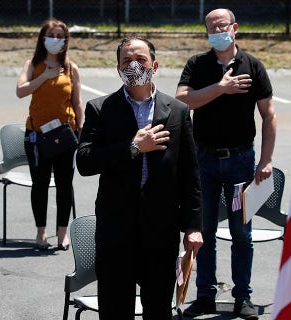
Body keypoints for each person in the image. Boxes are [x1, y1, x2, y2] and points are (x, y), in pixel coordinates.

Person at [76, 37, 203, 319]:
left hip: (161, 230)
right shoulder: (100, 108)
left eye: (141, 60)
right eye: (126, 61)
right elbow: (84, 162)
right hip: (115, 231)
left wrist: (193, 226)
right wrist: (133, 147)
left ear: (154, 66)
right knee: (114, 309)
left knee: (158, 309)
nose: (134, 66)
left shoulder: (178, 111)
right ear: (118, 69)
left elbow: (189, 175)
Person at [175, 8, 276, 320]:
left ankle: (242, 297)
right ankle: (204, 294)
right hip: (203, 160)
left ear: (235, 28)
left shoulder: (253, 65)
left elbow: (269, 115)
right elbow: (182, 99)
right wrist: (220, 88)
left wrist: (266, 160)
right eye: (211, 27)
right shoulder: (198, 64)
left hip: (241, 164)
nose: (217, 31)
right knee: (201, 230)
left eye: (222, 26)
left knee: (240, 232)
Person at [16, 18, 83, 251]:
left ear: (66, 41)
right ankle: (40, 233)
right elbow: (20, 91)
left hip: (65, 133)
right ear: (43, 38)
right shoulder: (33, 64)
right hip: (37, 134)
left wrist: (81, 132)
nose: (56, 40)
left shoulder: (71, 68)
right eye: (51, 35)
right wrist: (45, 75)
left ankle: (62, 233)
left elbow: (77, 103)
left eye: (60, 36)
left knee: (65, 184)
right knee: (40, 183)